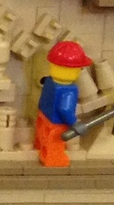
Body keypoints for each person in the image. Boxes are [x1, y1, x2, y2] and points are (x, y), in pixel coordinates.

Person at [34, 39, 92, 168]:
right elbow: (65, 109)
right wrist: (74, 123)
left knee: (42, 136)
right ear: (76, 70)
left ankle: (39, 147)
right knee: (55, 140)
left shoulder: (49, 82)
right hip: (57, 122)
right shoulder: (69, 90)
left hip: (43, 114)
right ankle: (54, 159)